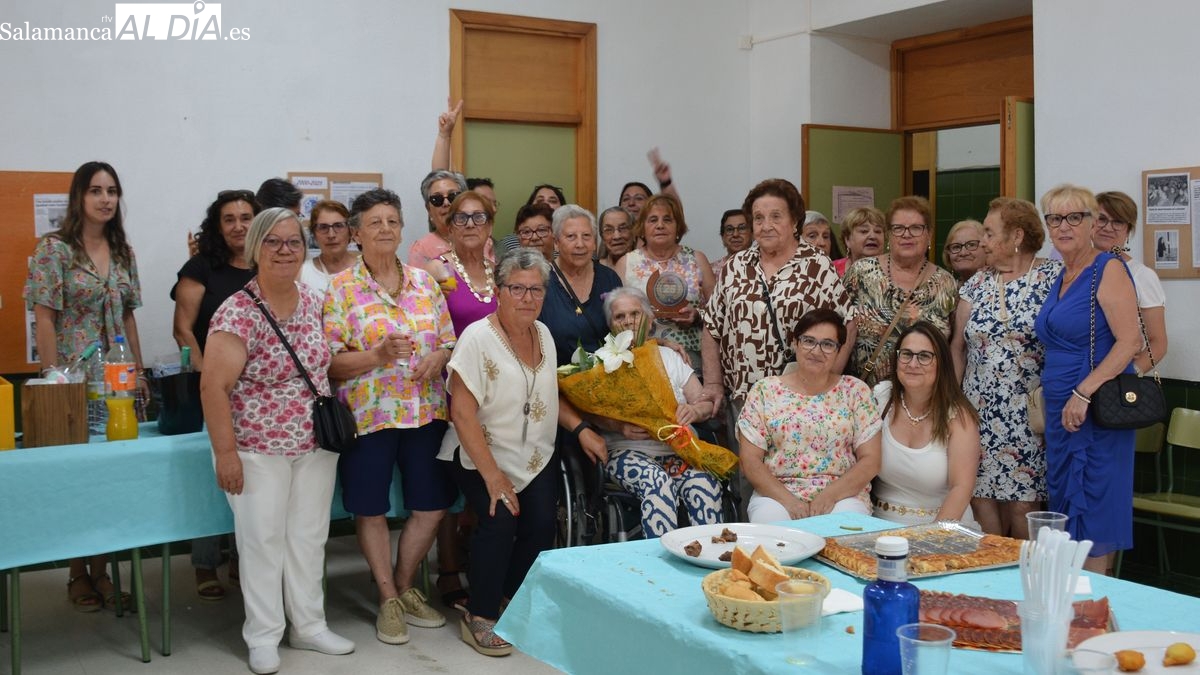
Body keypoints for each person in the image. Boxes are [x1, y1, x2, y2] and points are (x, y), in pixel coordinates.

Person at [201, 207, 354, 675]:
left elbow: (324, 365)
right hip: (255, 448)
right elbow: (213, 387)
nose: (285, 251)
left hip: (313, 445)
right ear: (256, 249)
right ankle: (263, 636)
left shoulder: (312, 300)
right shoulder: (237, 310)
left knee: (308, 538)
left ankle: (309, 626)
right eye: (274, 242)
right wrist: (226, 455)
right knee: (262, 541)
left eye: (293, 242)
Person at [439, 248, 606, 656]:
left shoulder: (544, 335)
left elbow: (549, 395)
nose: (528, 297)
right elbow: (461, 413)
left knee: (540, 524)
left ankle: (508, 598)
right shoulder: (478, 338)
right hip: (482, 453)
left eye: (536, 289)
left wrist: (580, 428)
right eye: (518, 288)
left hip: (535, 454)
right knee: (498, 520)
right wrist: (493, 476)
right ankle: (479, 613)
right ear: (500, 291)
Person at [323, 189, 457, 643]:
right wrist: (377, 356)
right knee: (371, 507)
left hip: (426, 411)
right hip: (369, 415)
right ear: (356, 234)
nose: (385, 229)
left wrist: (439, 356)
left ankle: (402, 587)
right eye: (374, 223)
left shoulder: (425, 283)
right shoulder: (340, 290)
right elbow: (330, 363)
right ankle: (386, 598)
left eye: (392, 222)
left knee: (433, 505)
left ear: (403, 230)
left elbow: (447, 340)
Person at [23, 160, 146, 613]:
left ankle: (103, 572)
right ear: (79, 197)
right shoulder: (55, 250)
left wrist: (140, 369)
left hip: (117, 383)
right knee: (79, 481)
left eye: (112, 190)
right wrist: (56, 381)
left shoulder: (123, 252)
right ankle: (78, 572)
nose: (105, 199)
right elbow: (45, 317)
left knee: (114, 479)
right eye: (95, 190)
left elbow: (129, 315)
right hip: (74, 384)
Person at [1034, 184, 1141, 575]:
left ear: (1093, 222)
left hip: (1093, 403)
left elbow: (1130, 341)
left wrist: (1083, 391)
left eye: (1074, 217)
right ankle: (1072, 601)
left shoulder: (1107, 268)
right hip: (1062, 406)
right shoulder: (1062, 274)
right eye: (1055, 218)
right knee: (1066, 500)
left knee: (1093, 505)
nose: (1063, 226)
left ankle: (1093, 606)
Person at [951, 197, 1061, 538]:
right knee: (980, 494)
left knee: (1023, 503)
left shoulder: (1052, 277)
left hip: (1028, 410)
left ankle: (1022, 576)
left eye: (988, 232)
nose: (982, 241)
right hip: (978, 407)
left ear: (1016, 236)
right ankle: (991, 569)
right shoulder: (977, 284)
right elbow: (958, 346)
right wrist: (953, 402)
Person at [171, 189, 261, 600]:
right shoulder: (202, 266)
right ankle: (206, 564)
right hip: (214, 389)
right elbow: (183, 329)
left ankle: (245, 561)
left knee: (255, 483)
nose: (239, 225)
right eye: (229, 218)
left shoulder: (269, 265)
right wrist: (211, 374)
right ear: (217, 225)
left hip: (261, 398)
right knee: (216, 480)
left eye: (246, 217)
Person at [701, 178, 854, 417]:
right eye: (758, 218)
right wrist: (712, 383)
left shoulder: (817, 266)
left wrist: (829, 380)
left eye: (775, 216)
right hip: (743, 398)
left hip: (801, 400)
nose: (766, 225)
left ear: (794, 221)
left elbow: (847, 322)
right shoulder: (736, 265)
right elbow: (712, 325)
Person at [592, 287, 723, 536]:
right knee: (656, 481)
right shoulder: (601, 363)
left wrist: (693, 411)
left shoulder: (670, 357)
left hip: (678, 451)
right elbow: (590, 414)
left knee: (705, 484)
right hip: (626, 452)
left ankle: (708, 558)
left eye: (636, 314)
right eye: (620, 317)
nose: (628, 321)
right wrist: (619, 426)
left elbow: (706, 404)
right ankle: (659, 565)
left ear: (650, 321)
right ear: (611, 325)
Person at [738, 309, 881, 522]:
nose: (817, 350)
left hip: (842, 495)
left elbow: (871, 460)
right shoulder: (764, 391)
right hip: (776, 494)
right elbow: (750, 461)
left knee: (845, 534)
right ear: (795, 343)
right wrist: (789, 501)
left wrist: (829, 496)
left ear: (838, 350)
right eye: (808, 341)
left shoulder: (855, 391)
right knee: (774, 537)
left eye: (827, 344)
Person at [873, 323, 981, 528]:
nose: (913, 364)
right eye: (906, 354)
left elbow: (961, 489)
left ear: (941, 363)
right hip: (880, 526)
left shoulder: (958, 416)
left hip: (944, 528)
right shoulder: (880, 398)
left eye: (924, 356)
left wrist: (930, 539)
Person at [844, 196, 958, 386]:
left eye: (916, 228)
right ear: (889, 234)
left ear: (929, 234)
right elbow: (842, 334)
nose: (907, 234)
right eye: (898, 228)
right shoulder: (861, 273)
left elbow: (954, 347)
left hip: (925, 398)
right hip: (864, 396)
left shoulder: (946, 283)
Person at [615, 193, 715, 370]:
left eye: (667, 220)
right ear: (642, 227)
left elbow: (719, 312)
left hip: (692, 359)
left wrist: (697, 315)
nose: (660, 225)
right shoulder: (626, 263)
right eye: (653, 220)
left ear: (678, 227)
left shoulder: (697, 259)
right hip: (641, 358)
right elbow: (614, 316)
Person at [1093, 191, 1168, 375]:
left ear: (1128, 230)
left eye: (1118, 221)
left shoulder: (1141, 275)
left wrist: (1126, 376)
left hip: (1113, 387)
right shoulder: (1071, 271)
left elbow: (1158, 343)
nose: (1108, 227)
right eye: (1101, 219)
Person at [540, 204, 624, 366]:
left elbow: (625, 330)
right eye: (571, 236)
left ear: (594, 242)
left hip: (606, 377)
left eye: (586, 236)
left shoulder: (609, 278)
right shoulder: (541, 282)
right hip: (556, 380)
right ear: (556, 242)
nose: (580, 244)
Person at [426, 191, 497, 336]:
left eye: (478, 217)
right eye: (461, 218)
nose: (470, 224)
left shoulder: (497, 271)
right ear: (450, 229)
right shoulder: (437, 269)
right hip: (454, 357)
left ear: (489, 227)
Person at [407, 170, 495, 267]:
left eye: (453, 196)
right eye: (437, 199)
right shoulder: (421, 249)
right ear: (429, 209)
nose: (446, 203)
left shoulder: (482, 240)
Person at [299, 200, 357, 292]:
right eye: (323, 227)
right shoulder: (302, 273)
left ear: (350, 231)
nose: (331, 235)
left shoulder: (366, 269)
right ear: (314, 234)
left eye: (338, 226)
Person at [834, 206, 887, 277]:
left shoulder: (895, 271)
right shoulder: (831, 270)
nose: (873, 236)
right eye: (864, 231)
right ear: (847, 240)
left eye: (878, 231)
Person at [943, 219, 985, 285]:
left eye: (971, 245)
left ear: (986, 248)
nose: (963, 253)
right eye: (956, 247)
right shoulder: (944, 290)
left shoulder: (999, 287)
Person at [712, 208, 750, 277]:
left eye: (742, 228)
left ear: (752, 234)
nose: (735, 234)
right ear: (722, 236)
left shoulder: (765, 267)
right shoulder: (711, 272)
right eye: (729, 229)